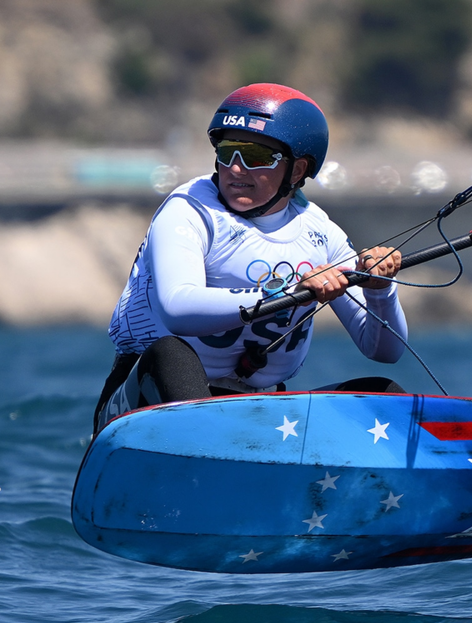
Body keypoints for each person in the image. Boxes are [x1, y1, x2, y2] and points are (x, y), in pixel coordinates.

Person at [94, 83, 406, 434]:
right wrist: (287, 292)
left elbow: (384, 350)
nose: (236, 169)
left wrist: (381, 290)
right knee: (171, 354)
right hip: (146, 400)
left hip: (257, 413)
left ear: (298, 169)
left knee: (383, 395)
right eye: (228, 152)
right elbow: (177, 308)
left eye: (255, 156)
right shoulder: (189, 210)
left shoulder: (322, 234)